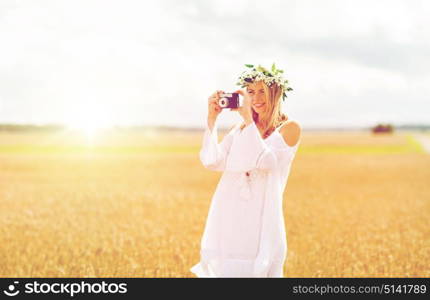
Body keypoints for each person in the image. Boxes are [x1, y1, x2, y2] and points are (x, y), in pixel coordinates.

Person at [190, 64, 301, 277]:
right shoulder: (239, 129)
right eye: (250, 92)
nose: (256, 98)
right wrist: (212, 120)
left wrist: (248, 120)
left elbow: (266, 161)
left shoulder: (289, 128)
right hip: (229, 209)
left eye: (262, 91)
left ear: (276, 93)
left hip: (261, 213)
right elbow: (213, 161)